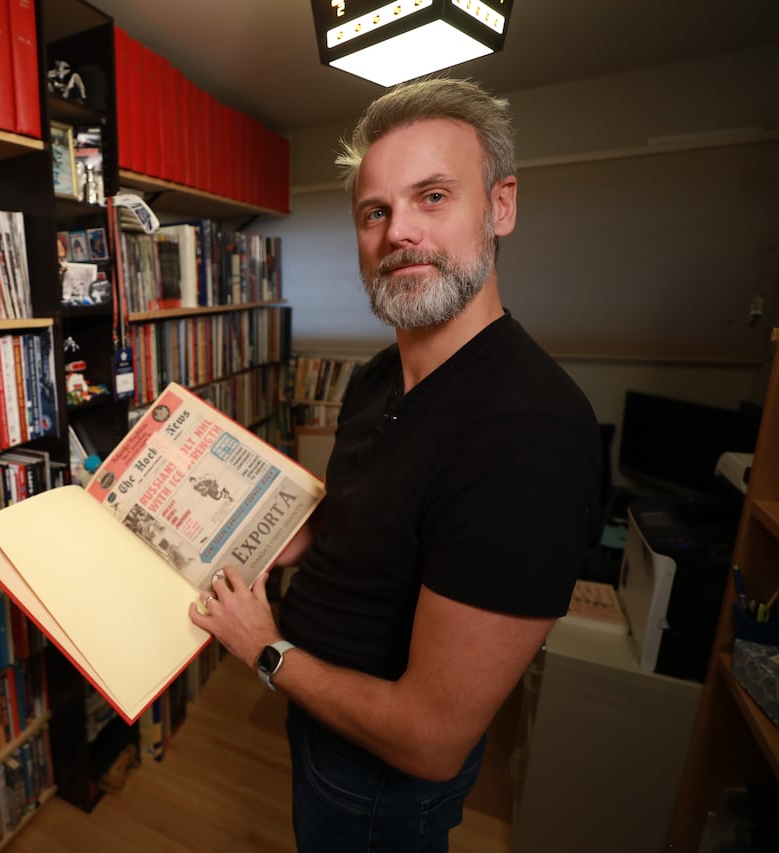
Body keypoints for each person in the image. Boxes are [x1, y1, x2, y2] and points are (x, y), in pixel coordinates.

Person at [189, 77, 600, 852]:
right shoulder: (378, 373)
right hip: (317, 714)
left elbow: (430, 737)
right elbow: (360, 516)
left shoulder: (530, 434)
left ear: (500, 206)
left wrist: (265, 649)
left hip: (378, 778)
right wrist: (277, 535)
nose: (398, 233)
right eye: (375, 211)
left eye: (434, 197)